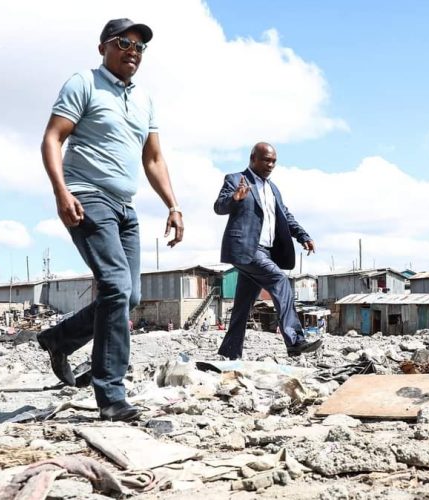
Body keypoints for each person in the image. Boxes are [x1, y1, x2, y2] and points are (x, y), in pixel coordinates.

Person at [38, 18, 184, 422]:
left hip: (125, 207)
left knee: (128, 297)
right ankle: (111, 396)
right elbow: (53, 138)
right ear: (104, 47)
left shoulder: (144, 100)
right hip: (87, 198)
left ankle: (59, 339)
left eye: (140, 46)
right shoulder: (83, 83)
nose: (133, 51)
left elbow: (152, 158)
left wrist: (172, 204)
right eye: (124, 42)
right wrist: (61, 191)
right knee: (117, 287)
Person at [214, 142, 322, 359]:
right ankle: (295, 341)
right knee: (280, 281)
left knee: (242, 307)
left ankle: (229, 353)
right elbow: (219, 206)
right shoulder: (235, 179)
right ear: (253, 158)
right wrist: (235, 198)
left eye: (273, 161)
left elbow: (285, 216)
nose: (270, 165)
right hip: (246, 248)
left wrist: (303, 235)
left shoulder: (273, 189)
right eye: (266, 160)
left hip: (266, 251)